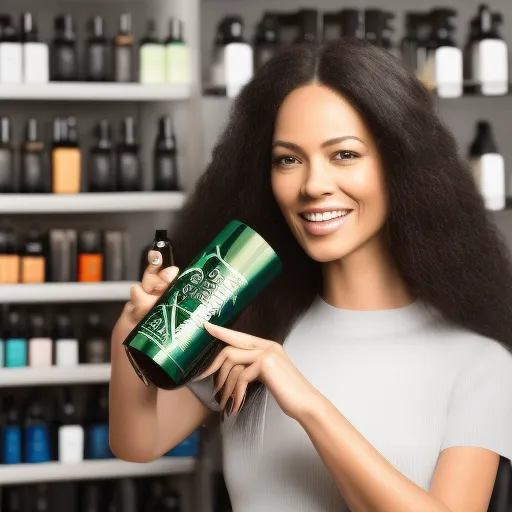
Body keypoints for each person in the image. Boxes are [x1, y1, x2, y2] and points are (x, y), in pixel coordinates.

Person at [109, 39, 512, 512]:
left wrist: (306, 402)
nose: (313, 185)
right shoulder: (247, 326)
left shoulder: (478, 362)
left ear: (399, 165)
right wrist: (132, 328)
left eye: (343, 155)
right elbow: (137, 444)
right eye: (288, 159)